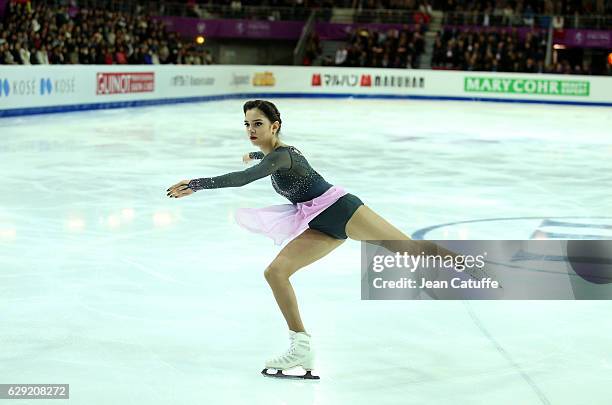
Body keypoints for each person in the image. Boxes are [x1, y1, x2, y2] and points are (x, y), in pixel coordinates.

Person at [166, 100, 459, 379]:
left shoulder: (283, 155)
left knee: (409, 249)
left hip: (343, 210)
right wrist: (257, 155)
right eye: (246, 124)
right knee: (276, 273)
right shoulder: (274, 155)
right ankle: (301, 348)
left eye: (258, 123)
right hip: (319, 222)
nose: (251, 130)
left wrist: (196, 184)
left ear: (275, 125)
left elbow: (246, 178)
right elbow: (265, 161)